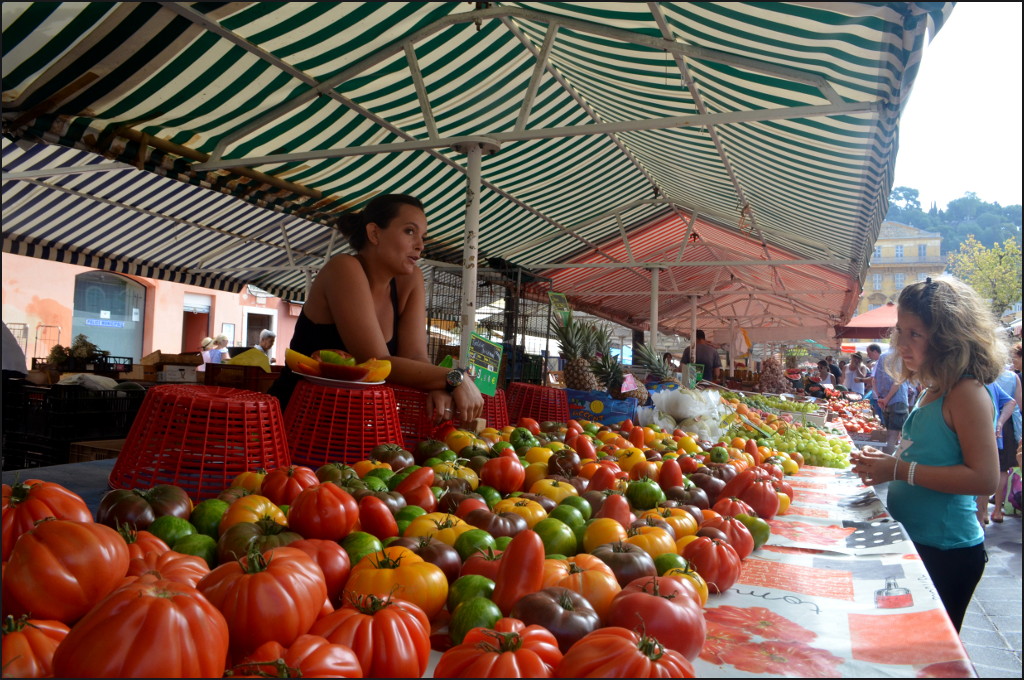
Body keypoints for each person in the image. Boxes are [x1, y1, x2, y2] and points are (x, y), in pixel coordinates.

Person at [850, 277, 1004, 632]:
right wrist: (887, 460)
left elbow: (985, 478)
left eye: (915, 334)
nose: (901, 344)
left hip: (945, 550)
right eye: (900, 332)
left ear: (949, 337)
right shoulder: (934, 387)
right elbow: (929, 451)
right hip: (916, 540)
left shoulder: (966, 392)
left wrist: (899, 470)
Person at [269, 194, 483, 425]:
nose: (420, 245)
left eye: (423, 236)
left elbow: (415, 356)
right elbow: (375, 361)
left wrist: (439, 387)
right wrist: (453, 378)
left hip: (356, 427)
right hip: (294, 420)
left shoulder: (409, 280)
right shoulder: (343, 268)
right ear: (374, 233)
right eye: (409, 231)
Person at [987, 346, 1022, 523]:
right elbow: (1019, 405)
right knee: (1002, 470)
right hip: (1007, 427)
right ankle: (998, 511)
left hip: (985, 422)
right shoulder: (1012, 377)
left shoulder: (982, 377)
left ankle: (982, 511)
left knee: (984, 465)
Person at [975, 379, 1016, 525]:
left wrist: (999, 422)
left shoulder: (976, 382)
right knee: (989, 474)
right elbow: (1012, 403)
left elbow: (1012, 403)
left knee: (981, 477)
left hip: (981, 439)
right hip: (992, 437)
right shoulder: (991, 382)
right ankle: (988, 512)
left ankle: (982, 515)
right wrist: (1000, 422)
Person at [873, 346, 909, 454]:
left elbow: (873, 380)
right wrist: (886, 398)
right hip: (897, 400)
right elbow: (897, 381)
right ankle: (889, 466)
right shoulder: (899, 356)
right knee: (893, 438)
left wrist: (881, 398)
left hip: (886, 402)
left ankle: (887, 463)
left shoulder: (883, 356)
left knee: (890, 437)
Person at [864, 343, 885, 424]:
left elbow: (872, 379)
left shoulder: (879, 362)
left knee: (881, 418)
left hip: (879, 396)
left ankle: (882, 433)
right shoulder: (879, 362)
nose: (868, 355)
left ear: (875, 352)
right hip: (879, 395)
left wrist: (860, 380)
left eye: (869, 353)